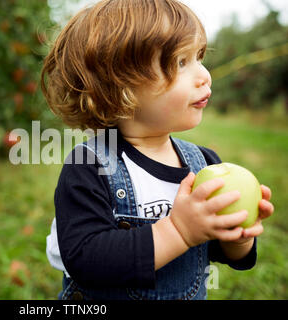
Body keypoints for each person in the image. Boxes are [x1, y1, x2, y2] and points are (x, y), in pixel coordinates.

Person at [40, 0, 274, 300]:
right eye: (180, 62)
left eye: (199, 57)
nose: (205, 75)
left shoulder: (203, 164)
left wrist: (238, 236)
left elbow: (216, 251)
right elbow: (86, 260)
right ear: (121, 86)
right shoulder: (90, 167)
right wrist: (177, 231)